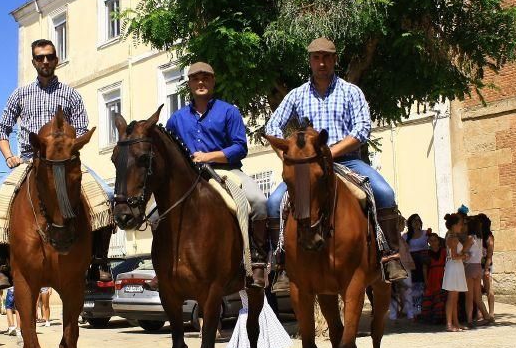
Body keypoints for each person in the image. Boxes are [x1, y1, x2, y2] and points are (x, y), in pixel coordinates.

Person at [265, 38, 407, 282]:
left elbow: (362, 129)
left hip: (347, 161)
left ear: (334, 60)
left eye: (327, 57)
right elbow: (272, 127)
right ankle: (281, 263)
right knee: (274, 202)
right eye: (317, 58)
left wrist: (330, 152)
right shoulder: (297, 95)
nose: (322, 62)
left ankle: (389, 256)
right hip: (308, 167)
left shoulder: (351, 92)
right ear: (310, 61)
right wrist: (289, 157)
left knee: (384, 193)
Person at [0, 38, 113, 286]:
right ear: (34, 62)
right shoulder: (20, 94)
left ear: (56, 59)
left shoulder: (71, 95)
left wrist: (66, 148)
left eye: (49, 56)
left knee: (106, 195)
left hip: (65, 162)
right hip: (28, 161)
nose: (45, 61)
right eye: (39, 57)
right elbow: (1, 130)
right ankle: (2, 267)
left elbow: (80, 130)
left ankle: (98, 262)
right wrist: (9, 156)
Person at [164, 62, 269, 287]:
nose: (201, 82)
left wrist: (208, 156)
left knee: (259, 202)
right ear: (189, 84)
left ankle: (258, 262)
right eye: (195, 78)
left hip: (226, 172)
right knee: (155, 216)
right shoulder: (176, 119)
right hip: (190, 179)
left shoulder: (228, 111)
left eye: (206, 78)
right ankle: (163, 265)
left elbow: (240, 147)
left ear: (213, 81)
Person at [442, 213, 470, 332]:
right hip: (453, 267)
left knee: (455, 297)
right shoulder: (452, 238)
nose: (461, 226)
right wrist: (464, 256)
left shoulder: (453, 236)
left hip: (456, 267)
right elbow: (454, 256)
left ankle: (456, 323)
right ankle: (449, 324)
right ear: (453, 225)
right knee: (451, 297)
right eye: (459, 224)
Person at [465, 216, 490, 327]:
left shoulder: (470, 238)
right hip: (478, 268)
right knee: (478, 296)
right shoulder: (479, 239)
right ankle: (487, 316)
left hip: (470, 267)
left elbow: (463, 250)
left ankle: (469, 320)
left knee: (469, 297)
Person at [403, 214, 429, 320]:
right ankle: (413, 312)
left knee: (423, 286)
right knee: (412, 287)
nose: (416, 222)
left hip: (423, 263)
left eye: (418, 220)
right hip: (411, 263)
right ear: (410, 223)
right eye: (414, 221)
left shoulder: (426, 233)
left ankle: (424, 310)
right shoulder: (405, 236)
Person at [422, 231, 447, 324]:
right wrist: (426, 280)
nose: (433, 242)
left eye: (435, 240)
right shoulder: (426, 253)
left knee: (442, 296)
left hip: (442, 275)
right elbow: (424, 268)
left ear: (438, 241)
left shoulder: (444, 251)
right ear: (428, 242)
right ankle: (433, 318)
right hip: (432, 275)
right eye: (431, 240)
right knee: (431, 295)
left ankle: (442, 317)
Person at [476, 213, 495, 322]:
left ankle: (491, 313)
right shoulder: (477, 237)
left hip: (486, 265)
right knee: (478, 290)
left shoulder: (489, 237)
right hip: (477, 265)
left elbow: (489, 255)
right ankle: (481, 313)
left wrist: (487, 269)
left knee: (488, 289)